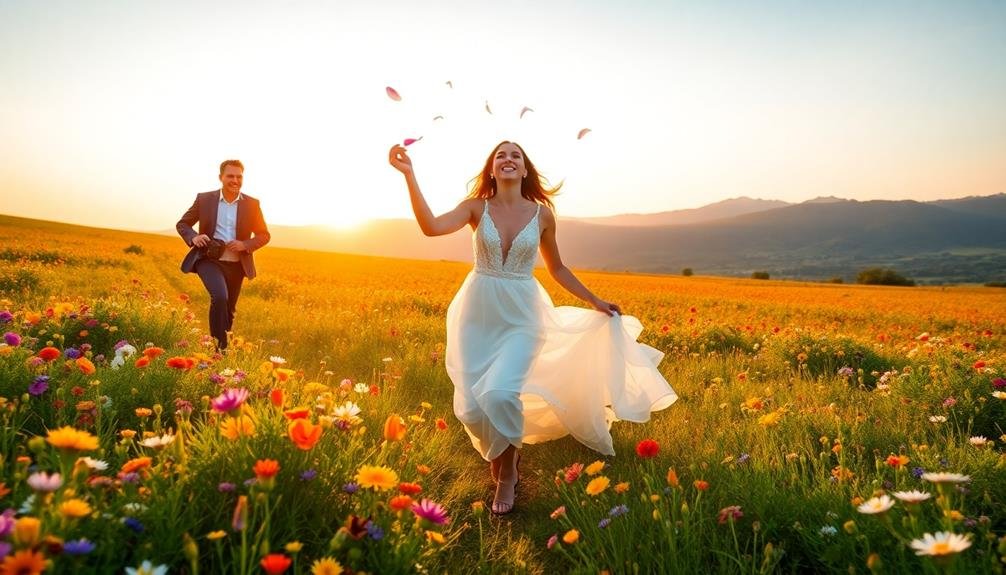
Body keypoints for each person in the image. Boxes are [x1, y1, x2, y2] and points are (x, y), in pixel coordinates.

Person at [388, 141, 677, 515]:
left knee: (502, 394)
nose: (508, 159)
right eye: (500, 156)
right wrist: (410, 175)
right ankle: (503, 453)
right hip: (477, 315)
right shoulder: (475, 208)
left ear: (525, 170)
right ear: (492, 169)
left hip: (524, 315)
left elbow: (557, 268)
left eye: (516, 156)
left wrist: (595, 301)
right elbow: (430, 228)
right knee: (473, 409)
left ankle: (507, 473)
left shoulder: (542, 216)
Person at [176, 160, 270, 351]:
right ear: (221, 178)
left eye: (239, 176)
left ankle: (221, 349)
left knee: (228, 311)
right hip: (209, 260)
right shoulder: (204, 199)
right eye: (230, 176)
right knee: (219, 297)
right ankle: (218, 350)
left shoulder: (252, 204)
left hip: (237, 264)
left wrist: (245, 244)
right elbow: (183, 224)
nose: (235, 180)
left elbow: (263, 235)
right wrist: (194, 237)